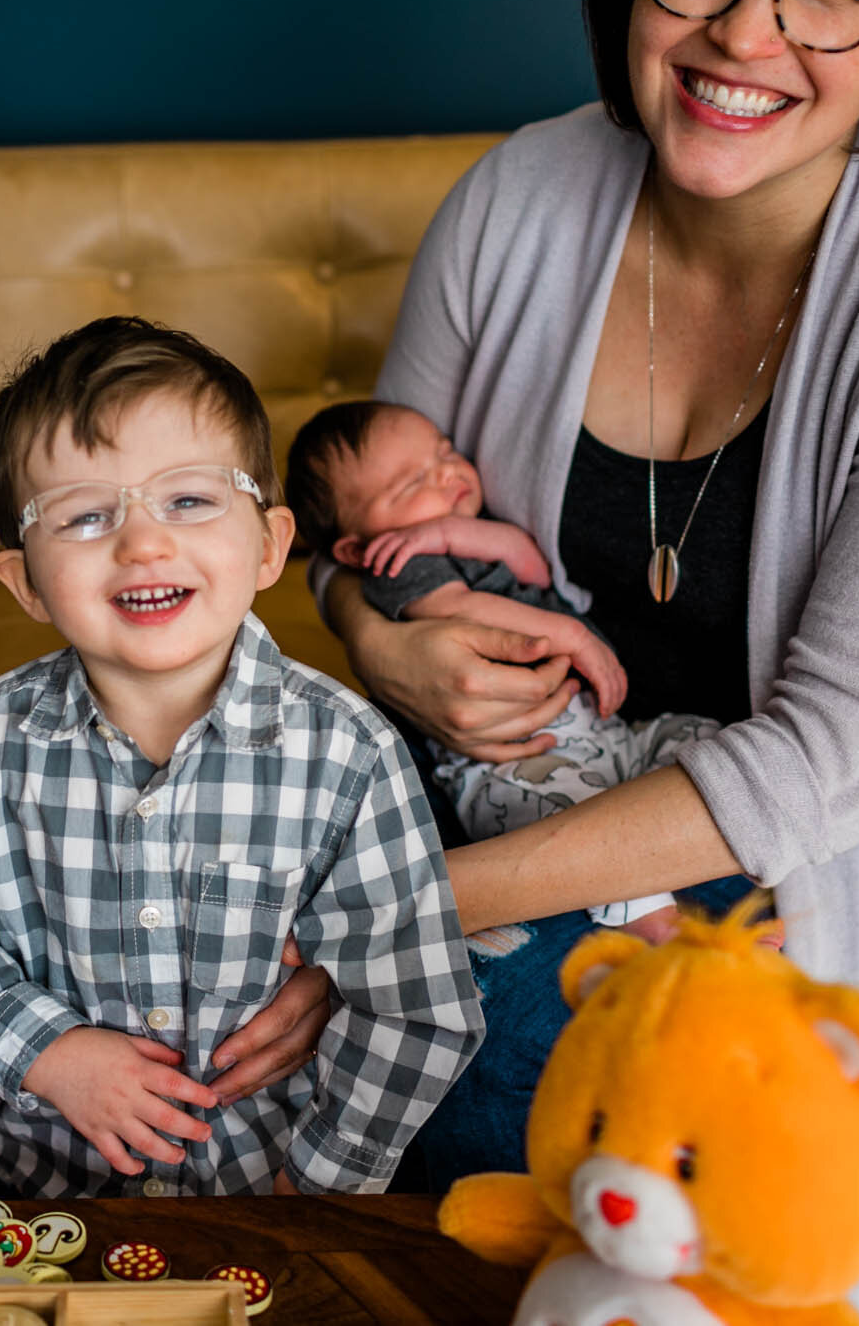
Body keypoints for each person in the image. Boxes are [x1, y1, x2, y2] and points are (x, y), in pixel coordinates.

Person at [318, 0, 859, 1313]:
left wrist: (391, 916)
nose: (743, 29)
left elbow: (826, 766)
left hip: (817, 852)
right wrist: (371, 637)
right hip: (533, 786)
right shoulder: (519, 194)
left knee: (550, 1081)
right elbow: (369, 524)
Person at [0, 317, 483, 1197]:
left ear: (269, 545)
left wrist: (320, 1183)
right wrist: (49, 1049)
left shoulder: (347, 751)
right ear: (27, 583)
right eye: (83, 515)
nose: (143, 542)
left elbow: (415, 1006)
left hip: (278, 1193)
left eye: (189, 499)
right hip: (54, 1202)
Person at [286, 397, 721, 941]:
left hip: (605, 737)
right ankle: (673, 936)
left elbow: (529, 561)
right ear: (353, 548)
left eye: (444, 452)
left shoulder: (463, 535)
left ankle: (717, 885)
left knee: (704, 743)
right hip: (516, 768)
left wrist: (448, 532)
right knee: (583, 832)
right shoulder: (395, 562)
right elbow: (454, 609)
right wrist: (568, 633)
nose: (446, 474)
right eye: (409, 484)